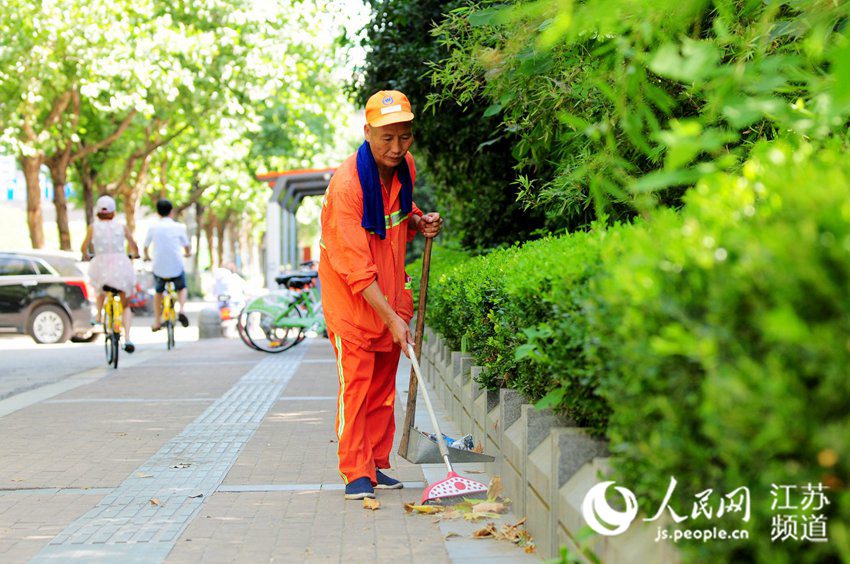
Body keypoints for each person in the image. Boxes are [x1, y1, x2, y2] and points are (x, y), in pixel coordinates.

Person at [319, 90, 443, 500]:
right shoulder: (346, 188)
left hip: (391, 294)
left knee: (382, 387)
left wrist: (419, 221)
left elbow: (396, 215)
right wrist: (391, 318)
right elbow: (355, 268)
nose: (396, 147)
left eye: (404, 137)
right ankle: (355, 471)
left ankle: (375, 462)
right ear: (367, 131)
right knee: (356, 387)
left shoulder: (403, 166)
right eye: (387, 138)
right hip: (355, 304)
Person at [80, 195, 139, 352]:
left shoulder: (93, 227)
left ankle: (99, 315)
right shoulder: (121, 226)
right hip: (121, 266)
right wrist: (136, 254)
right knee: (125, 304)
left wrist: (86, 256)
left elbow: (84, 247)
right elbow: (133, 245)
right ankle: (127, 338)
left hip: (101, 265)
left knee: (100, 290)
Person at [143, 199, 191, 331]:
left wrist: (146, 256)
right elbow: (186, 246)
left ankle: (157, 321)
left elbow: (145, 247)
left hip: (159, 267)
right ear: (171, 212)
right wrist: (187, 253)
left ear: (158, 212)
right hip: (176, 265)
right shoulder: (179, 227)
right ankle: (181, 309)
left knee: (158, 292)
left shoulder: (153, 228)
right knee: (182, 287)